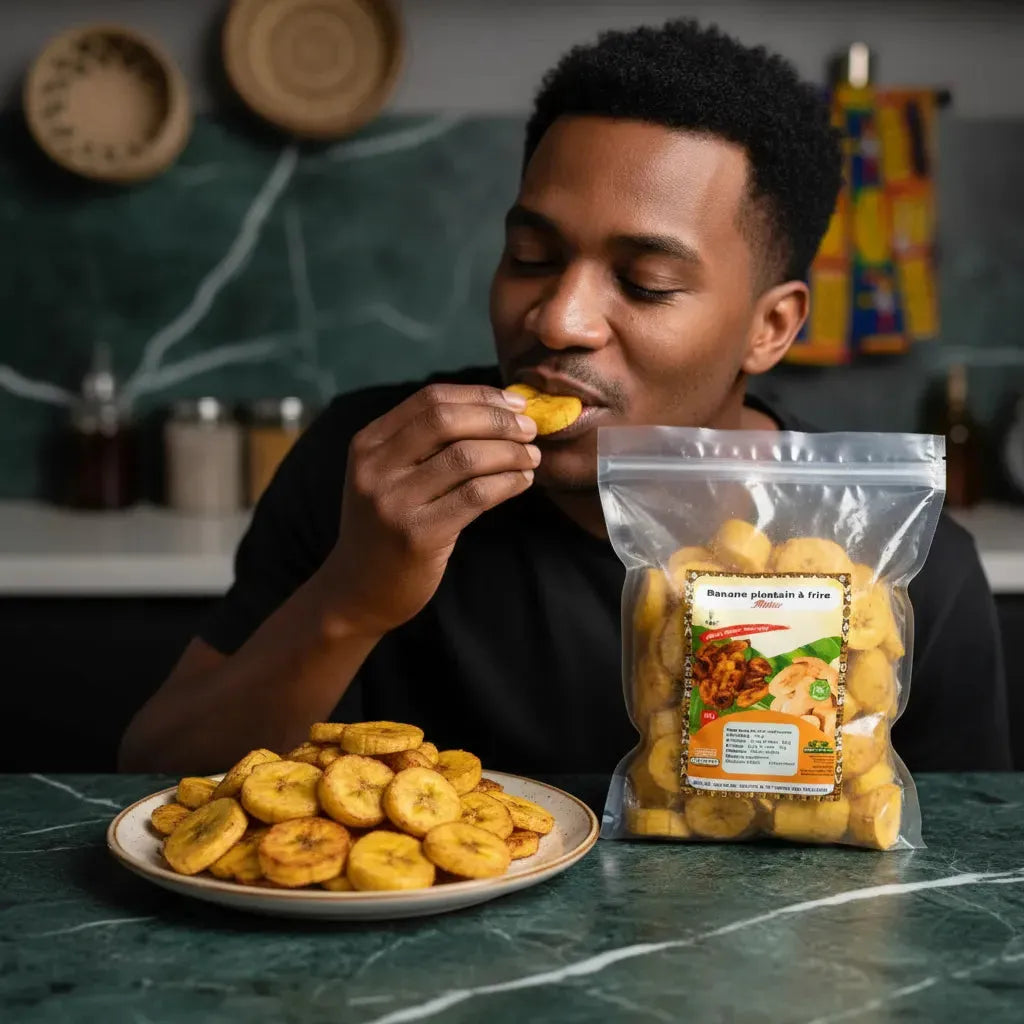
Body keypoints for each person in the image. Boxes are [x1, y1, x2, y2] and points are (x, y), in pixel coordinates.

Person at [120, 20, 1011, 776]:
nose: (557, 318)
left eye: (648, 281)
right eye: (533, 258)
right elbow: (150, 779)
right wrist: (352, 597)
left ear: (769, 328)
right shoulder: (374, 462)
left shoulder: (901, 562)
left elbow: (963, 894)